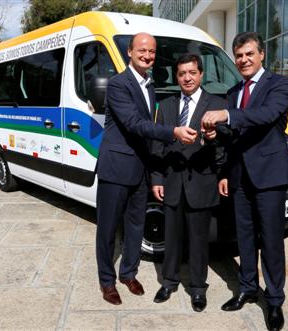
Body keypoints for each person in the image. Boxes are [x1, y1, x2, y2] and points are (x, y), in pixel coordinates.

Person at [201, 32, 288, 331]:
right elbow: (233, 138)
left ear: (261, 54)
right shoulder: (233, 92)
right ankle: (247, 288)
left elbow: (265, 116)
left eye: (249, 54)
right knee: (244, 238)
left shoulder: (279, 85)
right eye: (239, 55)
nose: (243, 60)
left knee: (270, 240)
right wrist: (219, 140)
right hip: (240, 176)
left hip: (269, 176)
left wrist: (226, 115)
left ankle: (275, 300)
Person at [96, 32, 185, 305]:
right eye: (142, 51)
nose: (147, 56)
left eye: (152, 52)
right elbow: (135, 124)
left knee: (135, 225)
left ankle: (128, 273)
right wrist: (173, 131)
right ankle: (107, 281)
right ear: (130, 53)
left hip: (140, 168)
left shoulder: (150, 85)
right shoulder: (118, 84)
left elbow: (145, 127)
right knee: (109, 228)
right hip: (116, 167)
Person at [150, 53, 228, 312]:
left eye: (192, 72)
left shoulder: (216, 104)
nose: (187, 77)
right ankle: (168, 282)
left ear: (201, 74)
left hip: (201, 183)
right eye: (182, 73)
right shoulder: (167, 105)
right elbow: (158, 146)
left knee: (198, 240)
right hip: (171, 183)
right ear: (177, 76)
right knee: (171, 238)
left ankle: (197, 288)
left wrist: (213, 139)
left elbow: (226, 146)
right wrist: (157, 178)